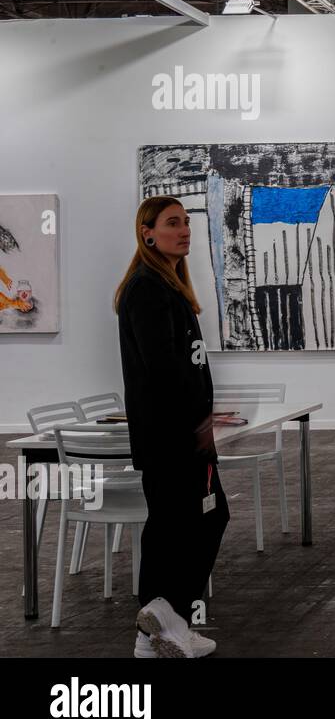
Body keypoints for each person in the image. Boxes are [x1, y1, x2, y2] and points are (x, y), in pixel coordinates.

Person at [115, 196, 226, 658]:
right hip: (174, 437)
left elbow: (182, 364)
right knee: (189, 523)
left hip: (182, 434)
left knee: (180, 523)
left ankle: (164, 626)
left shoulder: (167, 287)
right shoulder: (147, 290)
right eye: (172, 223)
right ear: (148, 233)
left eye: (186, 222)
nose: (184, 230)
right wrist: (196, 421)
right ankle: (162, 622)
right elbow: (163, 369)